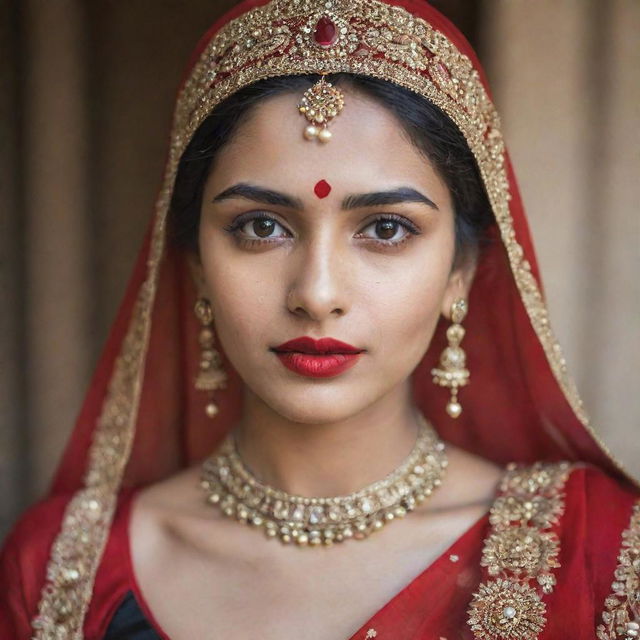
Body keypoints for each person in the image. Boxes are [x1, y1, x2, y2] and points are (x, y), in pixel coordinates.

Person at [1, 0, 638, 638]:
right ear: (195, 265)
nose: (317, 292)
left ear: (460, 273)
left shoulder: (602, 553)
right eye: (261, 226)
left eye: (386, 228)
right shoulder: (62, 568)